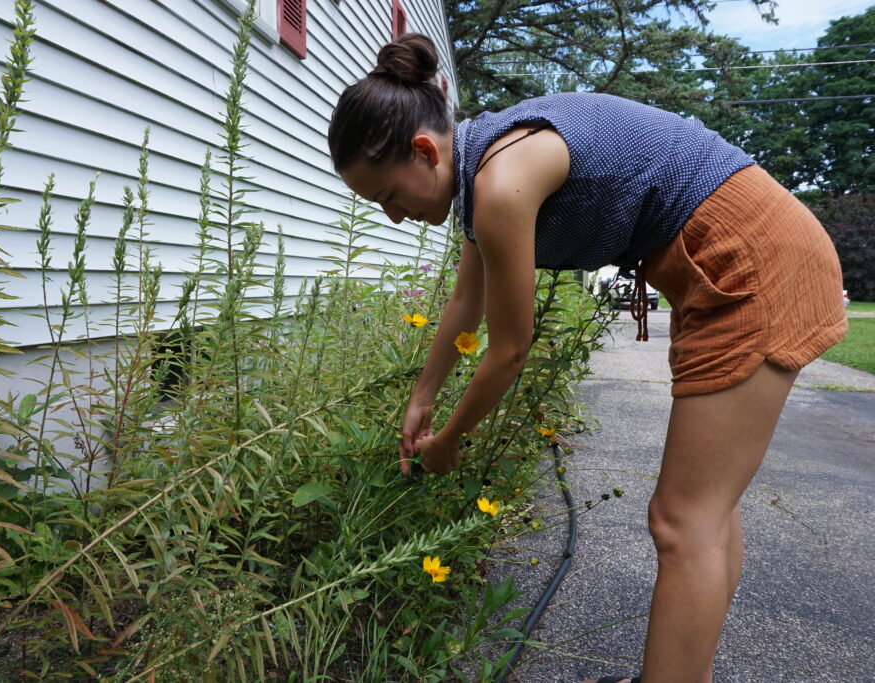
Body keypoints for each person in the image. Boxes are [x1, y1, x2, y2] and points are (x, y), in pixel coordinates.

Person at [326, 32, 847, 683]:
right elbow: (466, 302)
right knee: (705, 515)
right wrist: (422, 396)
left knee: (683, 520)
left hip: (749, 256)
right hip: (725, 256)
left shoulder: (500, 183)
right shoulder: (483, 164)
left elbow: (510, 349)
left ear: (424, 151)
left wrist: (451, 440)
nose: (395, 217)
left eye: (389, 198)